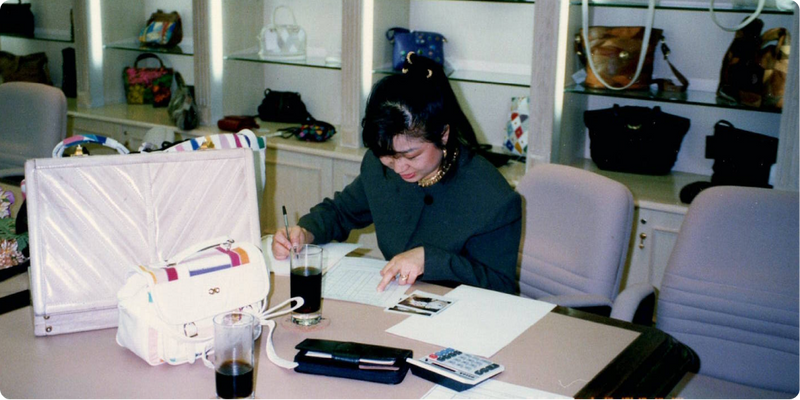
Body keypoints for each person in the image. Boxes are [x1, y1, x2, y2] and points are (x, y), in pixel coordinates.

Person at [272, 53, 522, 294]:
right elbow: (340, 212)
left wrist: (430, 259)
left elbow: (501, 286)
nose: (399, 168)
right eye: (389, 156)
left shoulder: (492, 196)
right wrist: (305, 232)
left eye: (411, 156)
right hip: (397, 302)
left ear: (443, 135)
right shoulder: (379, 167)